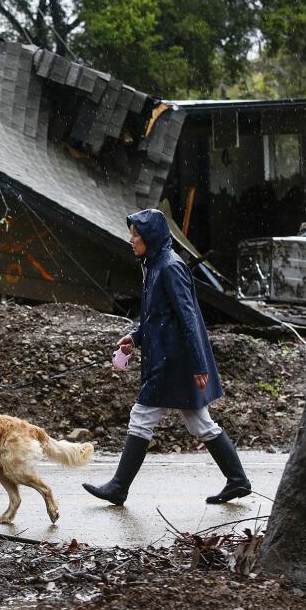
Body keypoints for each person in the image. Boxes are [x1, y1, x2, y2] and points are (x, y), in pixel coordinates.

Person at [83, 208, 251, 506]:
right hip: (172, 359)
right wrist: (134, 337)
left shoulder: (169, 267)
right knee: (201, 423)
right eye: (132, 234)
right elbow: (156, 316)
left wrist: (200, 365)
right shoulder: (155, 264)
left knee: (143, 416)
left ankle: (119, 487)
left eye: (136, 235)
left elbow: (189, 319)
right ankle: (238, 480)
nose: (132, 240)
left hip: (174, 362)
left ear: (151, 236)